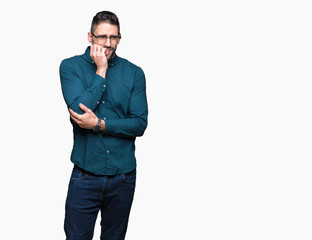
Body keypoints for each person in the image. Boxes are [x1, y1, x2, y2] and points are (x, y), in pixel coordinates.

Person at [59, 10, 148, 240]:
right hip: (85, 175)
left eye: (113, 37)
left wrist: (99, 124)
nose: (108, 44)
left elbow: (139, 124)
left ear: (119, 38)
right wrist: (101, 70)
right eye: (102, 37)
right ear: (90, 37)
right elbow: (78, 112)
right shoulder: (70, 67)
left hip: (123, 177)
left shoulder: (134, 73)